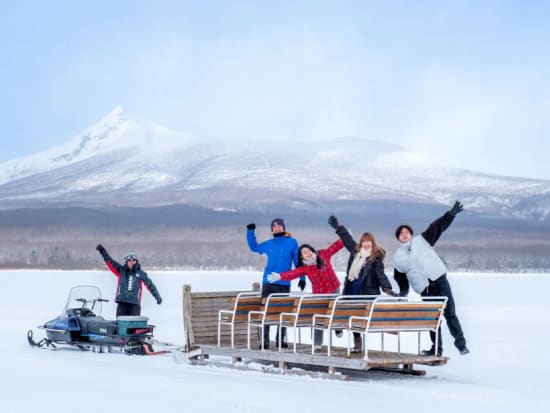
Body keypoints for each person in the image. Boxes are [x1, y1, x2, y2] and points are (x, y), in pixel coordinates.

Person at [391, 201, 469, 356]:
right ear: (398, 238)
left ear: (411, 234)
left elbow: (438, 226)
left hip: (439, 281)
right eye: (401, 233)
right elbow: (401, 280)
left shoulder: (422, 240)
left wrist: (450, 214)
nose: (404, 234)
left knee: (450, 313)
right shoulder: (397, 258)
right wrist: (402, 293)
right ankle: (436, 349)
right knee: (433, 319)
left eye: (407, 232)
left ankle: (461, 345)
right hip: (426, 290)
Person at [328, 215, 397, 353]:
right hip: (352, 289)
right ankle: (357, 344)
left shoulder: (376, 258)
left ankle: (380, 331)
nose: (366, 244)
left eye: (369, 241)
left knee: (360, 317)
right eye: (364, 241)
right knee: (351, 315)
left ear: (373, 242)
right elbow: (347, 240)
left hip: (366, 292)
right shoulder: (356, 252)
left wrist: (387, 288)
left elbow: (380, 274)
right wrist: (338, 228)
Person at [267, 240, 343, 349]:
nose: (308, 253)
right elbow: (293, 273)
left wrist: (344, 237)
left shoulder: (322, 255)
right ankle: (317, 343)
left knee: (335, 310)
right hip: (319, 294)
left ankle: (338, 327)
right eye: (304, 253)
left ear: (312, 250)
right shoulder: (305, 268)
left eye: (308, 251)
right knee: (317, 317)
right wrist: (280, 276)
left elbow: (334, 247)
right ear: (302, 257)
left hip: (333, 289)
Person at [246, 218, 301, 349]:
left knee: (283, 312)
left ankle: (280, 340)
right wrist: (250, 231)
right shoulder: (269, 243)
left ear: (283, 227)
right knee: (266, 312)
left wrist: (302, 278)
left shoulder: (292, 242)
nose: (277, 228)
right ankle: (265, 341)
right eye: (274, 226)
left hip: (284, 282)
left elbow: (298, 261)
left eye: (279, 226)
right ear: (272, 229)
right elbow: (254, 247)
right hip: (268, 282)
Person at [96, 244, 162, 317]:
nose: (131, 262)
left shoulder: (141, 273)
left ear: (136, 261)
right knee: (120, 325)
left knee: (133, 326)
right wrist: (102, 251)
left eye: (133, 260)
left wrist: (157, 297)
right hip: (122, 303)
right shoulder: (121, 271)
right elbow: (109, 261)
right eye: (129, 261)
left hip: (134, 304)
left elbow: (150, 286)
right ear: (126, 262)